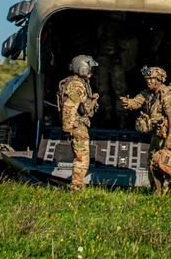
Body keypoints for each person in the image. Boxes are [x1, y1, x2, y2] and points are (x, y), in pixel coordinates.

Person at [121, 66, 171, 196]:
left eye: (151, 79)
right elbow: (137, 101)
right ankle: (156, 191)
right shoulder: (148, 93)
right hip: (158, 135)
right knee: (152, 162)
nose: (148, 82)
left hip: (170, 137)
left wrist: (170, 140)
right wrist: (128, 103)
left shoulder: (166, 96)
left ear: (159, 80)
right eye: (147, 79)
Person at [57, 55, 99, 192]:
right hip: (78, 126)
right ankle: (76, 186)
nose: (91, 72)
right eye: (89, 69)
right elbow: (69, 107)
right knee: (82, 159)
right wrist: (67, 128)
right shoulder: (78, 86)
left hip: (77, 125)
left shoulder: (75, 83)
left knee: (80, 157)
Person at [95, 22, 139, 127]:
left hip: (109, 60)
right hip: (114, 62)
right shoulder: (123, 28)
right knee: (119, 91)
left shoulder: (105, 27)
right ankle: (120, 116)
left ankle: (110, 113)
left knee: (103, 88)